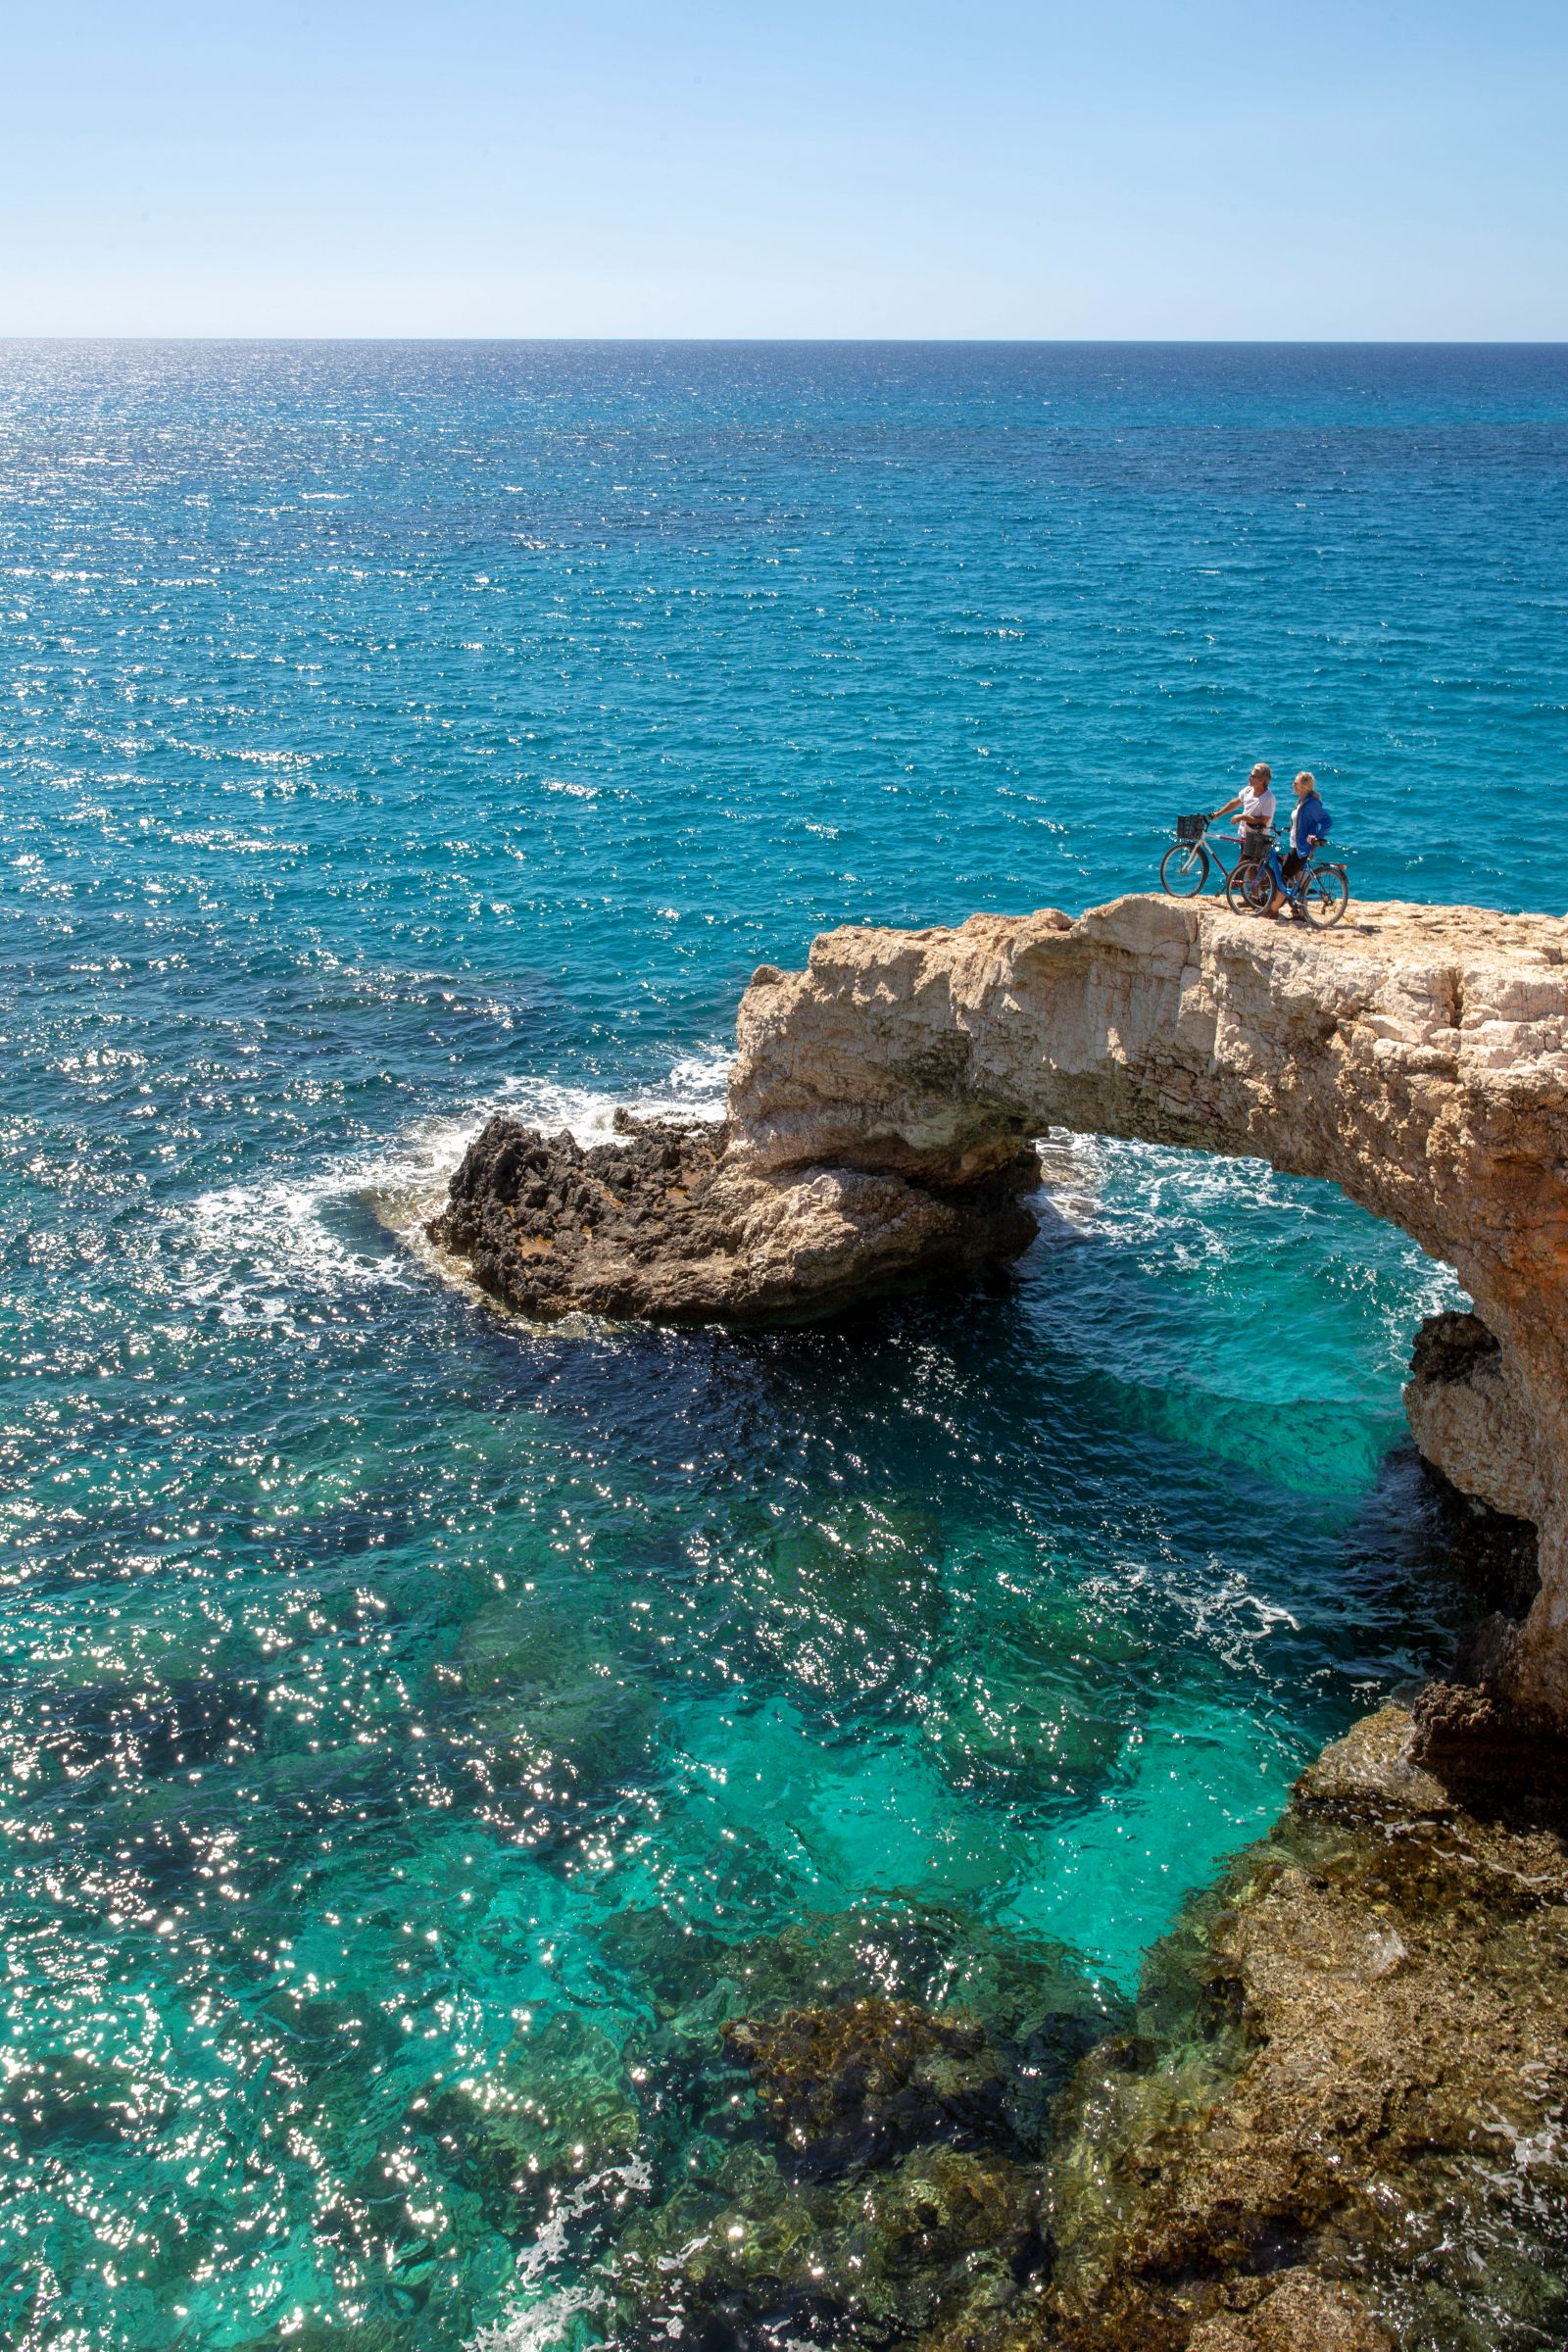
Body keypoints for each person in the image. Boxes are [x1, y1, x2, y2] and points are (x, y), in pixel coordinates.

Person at [1264, 772, 1332, 917]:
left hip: (1302, 848)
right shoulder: (1302, 801)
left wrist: (1318, 836)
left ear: (1303, 786)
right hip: (1296, 845)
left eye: (1295, 783)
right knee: (1301, 879)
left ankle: (1272, 911)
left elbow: (1327, 821)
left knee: (1283, 879)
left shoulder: (1311, 804)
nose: (1292, 785)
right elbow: (1302, 822)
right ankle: (1300, 912)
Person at [1210, 762, 1276, 864]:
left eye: (1253, 776)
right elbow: (1235, 803)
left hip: (1258, 838)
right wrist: (1218, 814)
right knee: (1245, 871)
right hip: (1246, 836)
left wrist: (1242, 817)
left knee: (1250, 871)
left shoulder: (1268, 798)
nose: (1249, 777)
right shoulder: (1248, 790)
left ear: (1262, 780)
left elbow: (1264, 820)